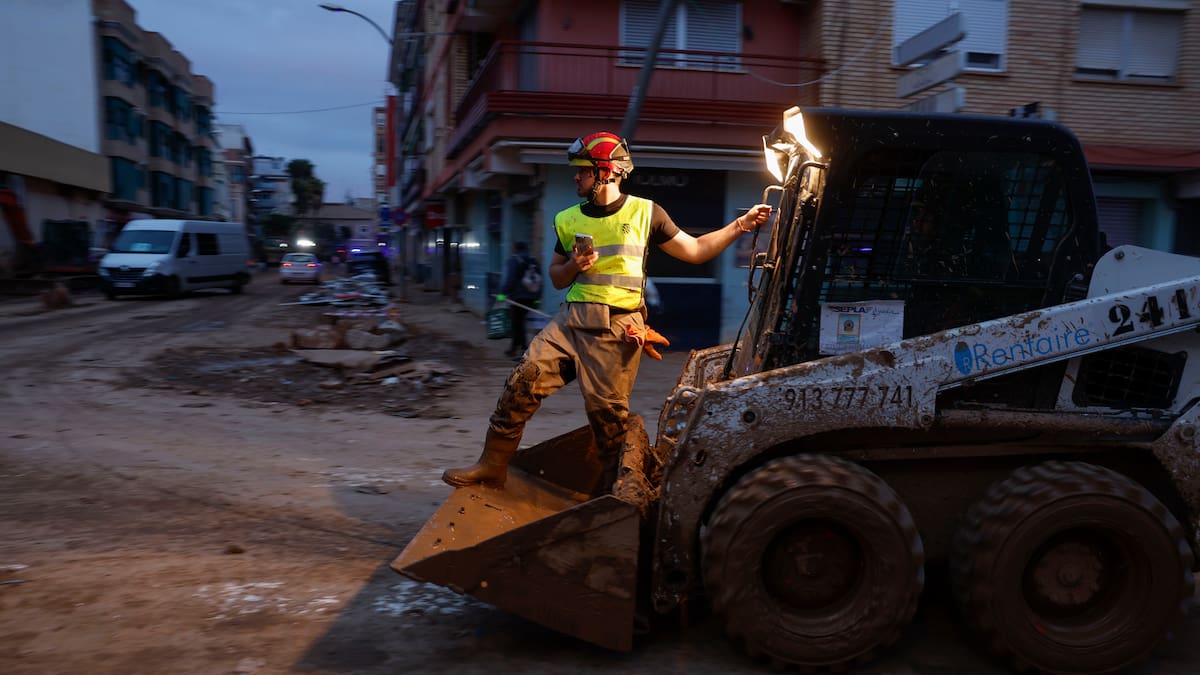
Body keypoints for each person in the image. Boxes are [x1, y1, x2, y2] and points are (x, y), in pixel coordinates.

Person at [442, 131, 772, 491]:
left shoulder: (647, 213)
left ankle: (615, 497)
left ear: (607, 172)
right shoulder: (567, 219)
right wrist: (574, 266)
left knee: (607, 422)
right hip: (569, 322)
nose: (575, 177)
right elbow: (556, 277)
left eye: (582, 171)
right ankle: (492, 466)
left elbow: (695, 251)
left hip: (617, 330)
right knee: (521, 383)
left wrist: (741, 225)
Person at [498, 241, 542, 358]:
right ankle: (514, 348)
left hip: (517, 297)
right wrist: (537, 297)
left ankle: (523, 350)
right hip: (531, 297)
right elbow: (539, 279)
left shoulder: (514, 261)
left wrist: (502, 293)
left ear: (515, 249)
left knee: (518, 323)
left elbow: (510, 279)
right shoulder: (533, 261)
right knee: (519, 323)